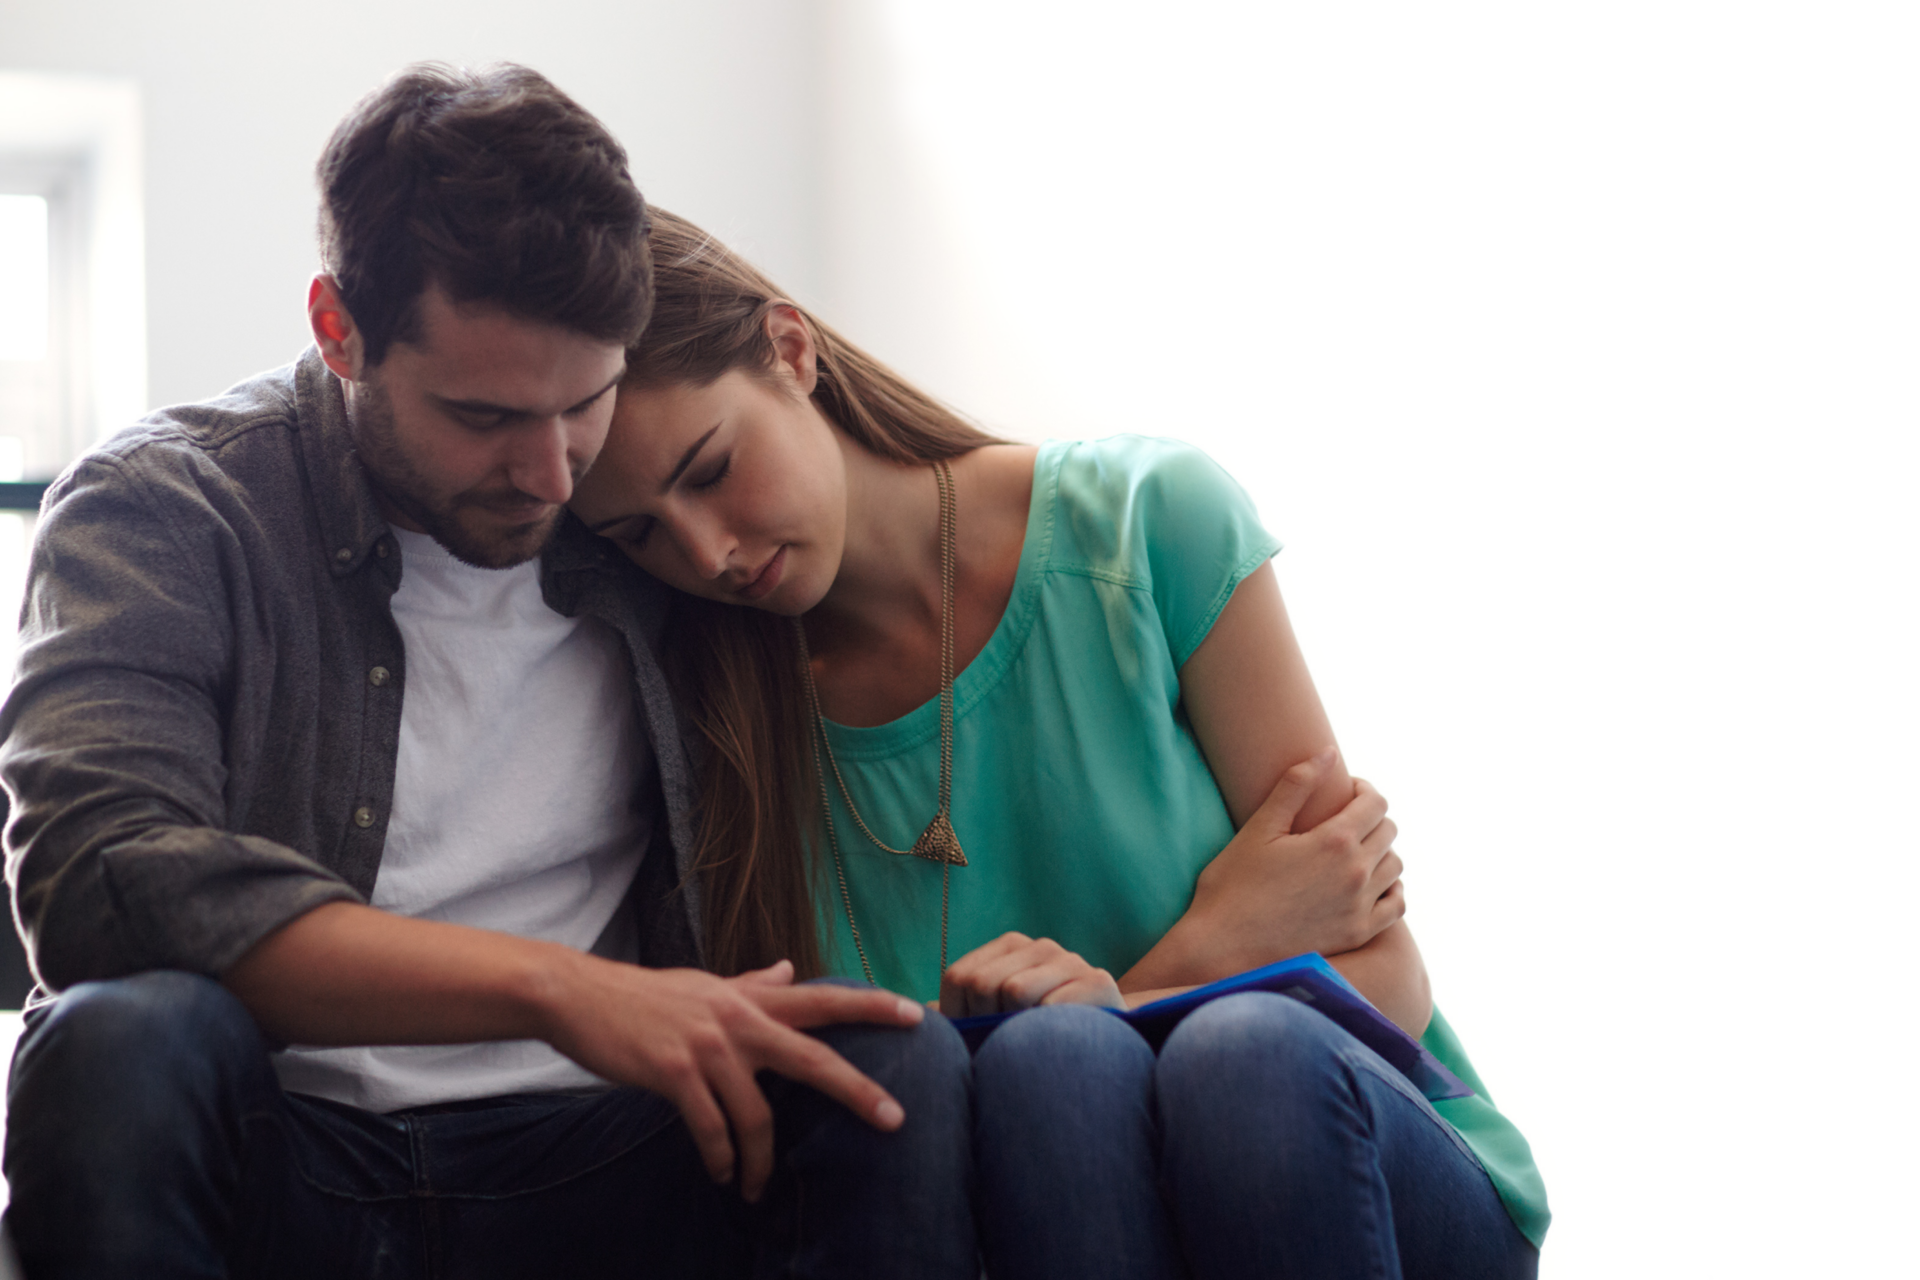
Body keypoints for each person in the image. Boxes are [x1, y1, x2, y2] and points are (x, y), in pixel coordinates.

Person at [0, 66, 974, 1279]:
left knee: (890, 1068)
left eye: (587, 404)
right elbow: (96, 875)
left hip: (608, 1155)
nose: (554, 477)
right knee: (117, 1043)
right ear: (336, 329)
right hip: (287, 1146)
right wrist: (555, 989)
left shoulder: (650, 526)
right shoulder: (167, 506)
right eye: (484, 417)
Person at [568, 210, 1551, 1279]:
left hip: (1358, 1164)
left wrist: (1099, 1019)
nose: (707, 550)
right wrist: (1194, 960)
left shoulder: (1144, 521)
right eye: (640, 534)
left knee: (1240, 1055)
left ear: (791, 350)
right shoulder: (716, 738)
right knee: (1054, 1070)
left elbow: (1386, 974)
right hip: (1053, 1220)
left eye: (710, 469)